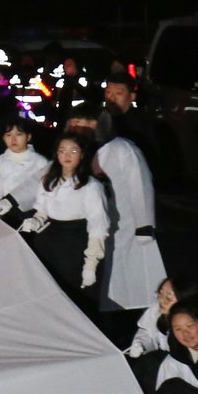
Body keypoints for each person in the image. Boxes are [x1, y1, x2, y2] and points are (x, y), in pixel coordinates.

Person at [66, 105, 165, 310]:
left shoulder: (123, 149)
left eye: (84, 121)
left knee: (127, 273)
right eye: (74, 122)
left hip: (126, 223)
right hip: (94, 224)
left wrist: (144, 225)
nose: (78, 126)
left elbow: (140, 185)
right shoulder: (79, 150)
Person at [19, 133, 108, 320]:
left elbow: (98, 228)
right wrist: (36, 221)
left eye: (73, 151)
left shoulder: (91, 186)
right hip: (49, 242)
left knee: (77, 300)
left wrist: (91, 264)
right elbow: (42, 210)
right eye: (62, 151)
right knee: (48, 292)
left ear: (82, 155)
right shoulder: (48, 180)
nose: (67, 156)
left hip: (75, 245)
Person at [126, 276, 198, 394]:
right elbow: (147, 332)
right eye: (160, 294)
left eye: (169, 297)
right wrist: (140, 344)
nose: (162, 301)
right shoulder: (157, 310)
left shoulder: (192, 325)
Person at [0, 116, 48, 226]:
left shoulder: (40, 163)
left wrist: (39, 219)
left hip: (30, 218)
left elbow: (46, 194)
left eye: (19, 134)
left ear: (28, 137)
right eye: (8, 135)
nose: (13, 139)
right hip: (4, 217)